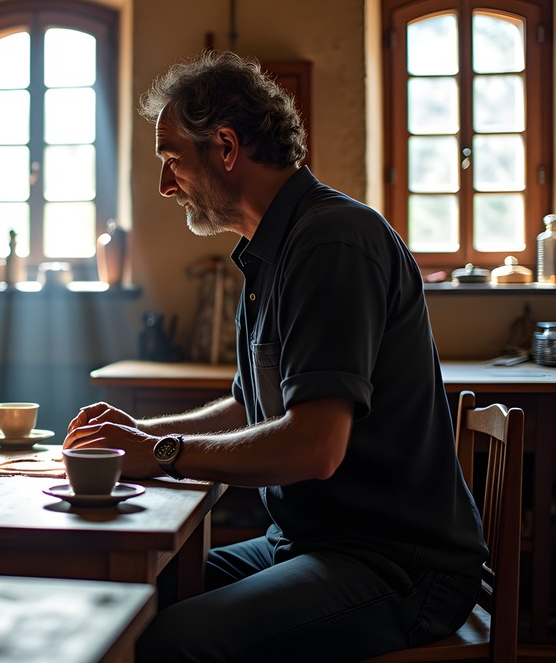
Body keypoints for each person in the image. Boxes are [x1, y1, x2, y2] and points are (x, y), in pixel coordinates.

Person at [65, 51, 487, 662]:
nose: (164, 184)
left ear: (228, 148)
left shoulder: (332, 242)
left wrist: (158, 454)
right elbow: (250, 407)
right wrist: (136, 434)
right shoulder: (271, 249)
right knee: (126, 594)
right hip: (307, 544)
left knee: (176, 641)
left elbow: (315, 447)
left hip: (397, 566)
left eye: (171, 159)